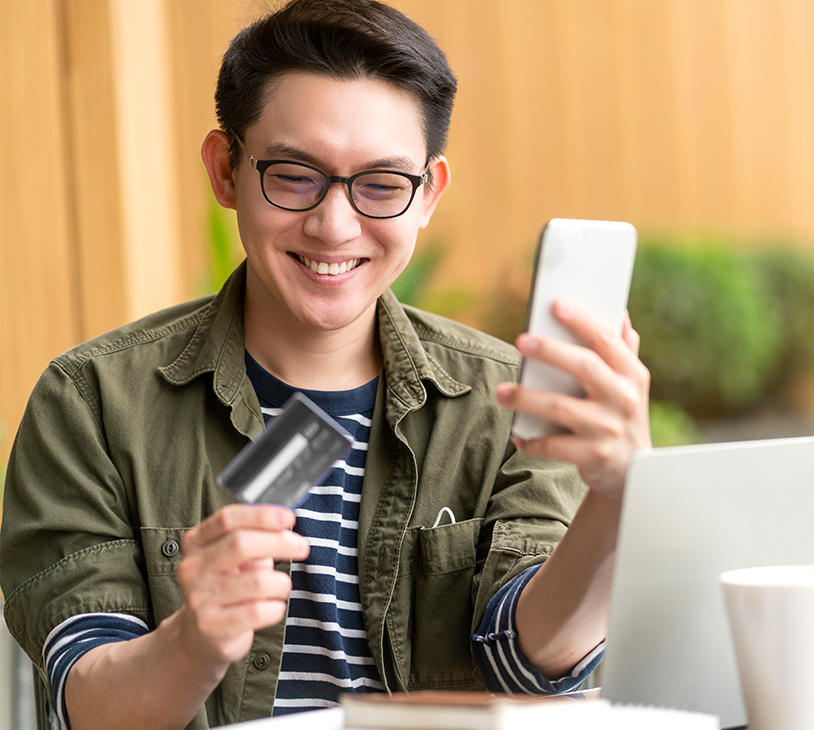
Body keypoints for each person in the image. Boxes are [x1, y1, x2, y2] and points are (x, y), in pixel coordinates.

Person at [0, 2, 651, 728]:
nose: (334, 225)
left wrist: (620, 499)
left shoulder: (505, 404)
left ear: (428, 193)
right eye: (294, 175)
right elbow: (89, 708)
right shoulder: (90, 403)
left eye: (379, 184)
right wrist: (196, 639)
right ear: (226, 170)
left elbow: (525, 664)